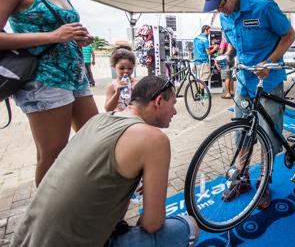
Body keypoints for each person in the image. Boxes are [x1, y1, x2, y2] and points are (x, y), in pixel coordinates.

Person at [10, 76, 199, 247]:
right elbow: (152, 224)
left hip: (24, 238)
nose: (175, 111)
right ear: (158, 101)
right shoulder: (154, 139)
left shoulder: (98, 119)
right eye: (173, 103)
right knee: (189, 226)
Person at [0, 0, 98, 186]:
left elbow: (63, 32)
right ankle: (45, 222)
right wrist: (54, 36)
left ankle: (83, 203)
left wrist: (78, 39)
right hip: (43, 81)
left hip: (75, 76)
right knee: (52, 155)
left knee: (96, 141)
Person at [198, 0, 295, 209]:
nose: (220, 10)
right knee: (242, 133)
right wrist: (227, 56)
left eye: (220, 2)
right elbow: (232, 44)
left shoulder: (264, 7)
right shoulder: (224, 16)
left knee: (267, 135)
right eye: (214, 7)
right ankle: (241, 178)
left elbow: (289, 35)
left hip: (269, 82)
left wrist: (270, 61)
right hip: (244, 82)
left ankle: (264, 182)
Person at [105, 46, 138, 112]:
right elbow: (108, 109)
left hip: (134, 117)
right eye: (122, 68)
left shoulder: (137, 83)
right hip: (119, 118)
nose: (126, 71)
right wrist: (117, 94)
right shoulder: (112, 86)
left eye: (130, 68)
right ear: (114, 67)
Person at [217, 33, 234, 98]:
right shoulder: (231, 38)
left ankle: (228, 93)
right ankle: (232, 91)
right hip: (232, 59)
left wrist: (217, 53)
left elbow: (221, 52)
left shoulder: (224, 40)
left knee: (227, 77)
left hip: (224, 60)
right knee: (231, 77)